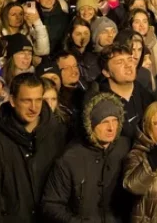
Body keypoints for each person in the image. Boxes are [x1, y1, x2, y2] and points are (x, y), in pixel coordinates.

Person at [0, 73, 67, 223]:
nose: (34, 108)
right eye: (27, 101)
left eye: (38, 100)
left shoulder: (58, 134)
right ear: (12, 100)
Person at [41, 93, 130, 223]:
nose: (111, 128)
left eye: (115, 121)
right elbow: (51, 204)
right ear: (91, 125)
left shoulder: (126, 147)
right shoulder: (70, 158)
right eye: (104, 122)